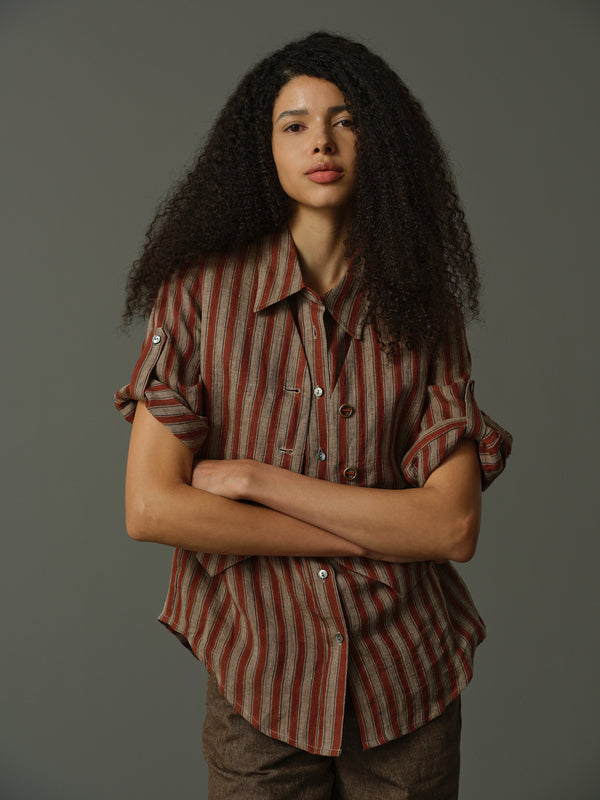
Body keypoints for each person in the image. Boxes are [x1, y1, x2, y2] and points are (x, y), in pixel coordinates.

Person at [115, 31, 512, 799]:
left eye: (345, 120)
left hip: (408, 680)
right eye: (293, 124)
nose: (321, 142)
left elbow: (452, 528)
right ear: (261, 148)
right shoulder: (198, 294)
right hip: (259, 674)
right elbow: (151, 508)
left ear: (379, 141)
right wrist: (376, 531)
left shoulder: (425, 305)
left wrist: (256, 480)